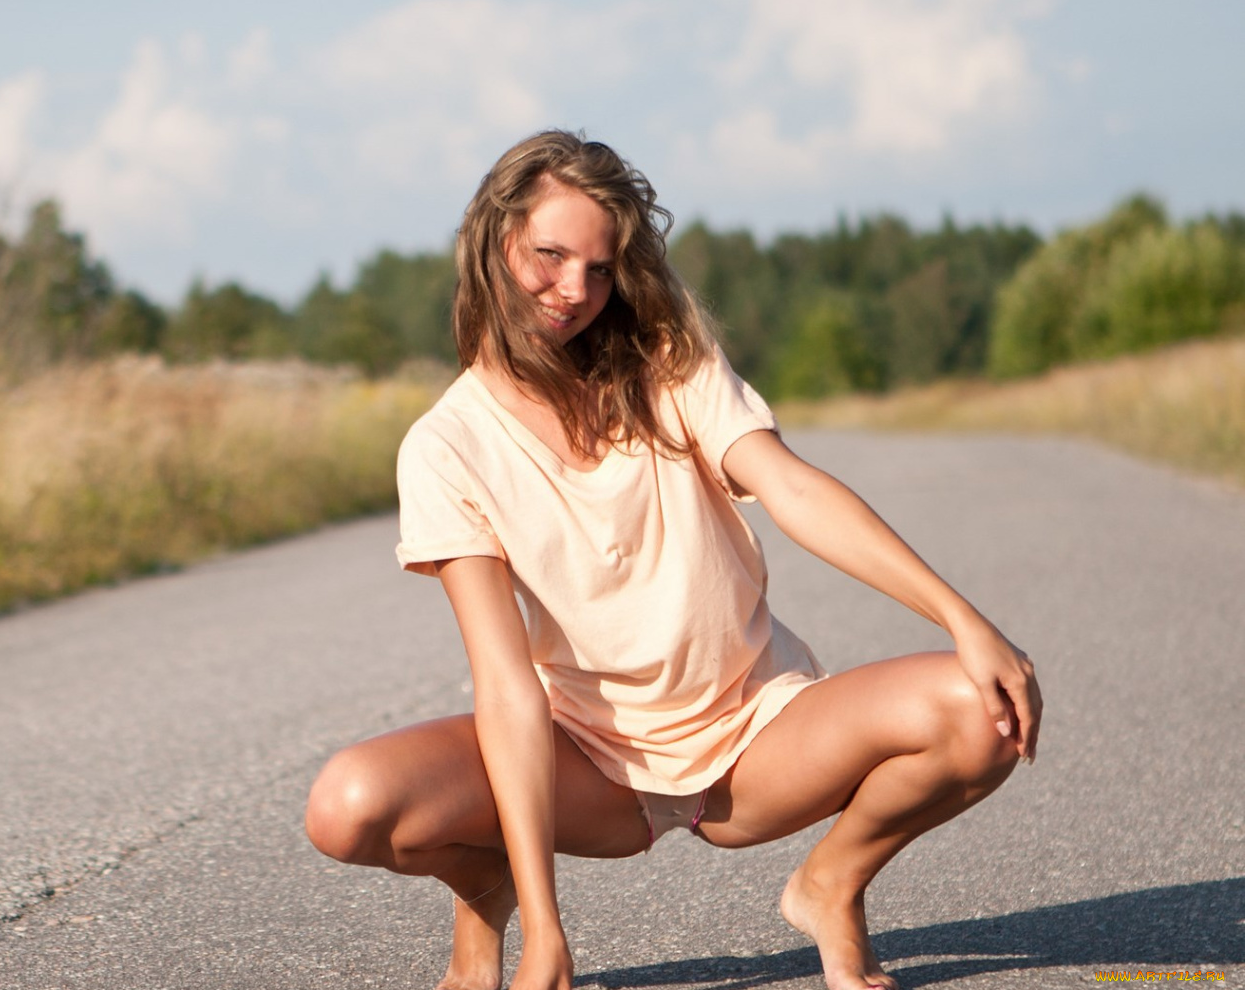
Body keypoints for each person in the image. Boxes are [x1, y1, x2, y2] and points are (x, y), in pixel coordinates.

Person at [302, 130, 1041, 990]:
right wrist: (547, 931)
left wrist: (965, 621)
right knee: (347, 806)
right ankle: (488, 883)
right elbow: (504, 685)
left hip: (756, 737)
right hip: (591, 764)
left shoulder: (667, 366)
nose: (573, 290)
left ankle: (831, 887)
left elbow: (794, 491)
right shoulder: (446, 447)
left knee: (984, 708)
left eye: (601, 267)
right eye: (549, 255)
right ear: (494, 239)